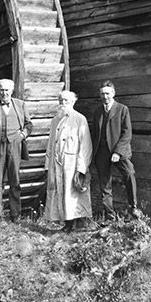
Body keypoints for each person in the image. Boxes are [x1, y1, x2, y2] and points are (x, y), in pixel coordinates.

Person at [0, 79, 33, 222]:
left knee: (14, 181)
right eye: (1, 90)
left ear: (12, 91)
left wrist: (22, 135)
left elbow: (29, 125)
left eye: (6, 90)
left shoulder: (20, 105)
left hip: (14, 146)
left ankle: (15, 214)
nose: (4, 93)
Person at [91, 80, 143, 221]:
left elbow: (127, 133)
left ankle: (133, 208)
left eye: (107, 93)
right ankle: (109, 216)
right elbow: (94, 134)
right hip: (101, 152)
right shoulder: (97, 112)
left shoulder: (122, 109)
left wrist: (117, 152)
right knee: (104, 184)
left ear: (113, 93)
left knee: (129, 173)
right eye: (102, 94)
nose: (105, 96)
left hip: (119, 151)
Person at [44, 90, 93, 232]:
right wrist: (48, 164)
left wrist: (81, 167)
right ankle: (67, 223)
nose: (62, 103)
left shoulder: (79, 119)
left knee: (73, 193)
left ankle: (78, 223)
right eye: (60, 100)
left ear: (72, 102)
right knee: (61, 192)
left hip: (72, 162)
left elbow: (85, 144)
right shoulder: (55, 120)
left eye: (66, 101)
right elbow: (51, 143)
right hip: (58, 161)